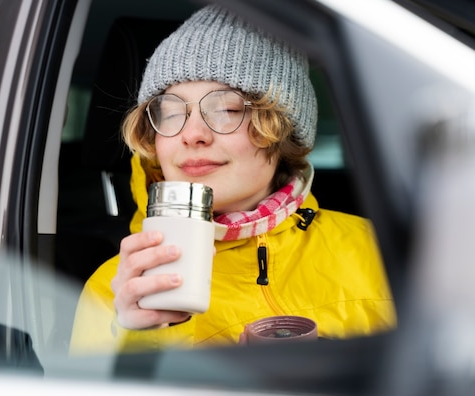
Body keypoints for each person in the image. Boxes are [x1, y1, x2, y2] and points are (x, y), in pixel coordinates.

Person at [69, 4, 396, 354]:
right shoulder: (115, 288)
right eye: (171, 111)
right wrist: (144, 333)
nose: (192, 134)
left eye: (226, 109)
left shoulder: (382, 253)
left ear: (281, 129)